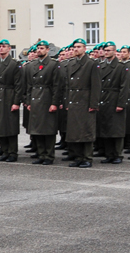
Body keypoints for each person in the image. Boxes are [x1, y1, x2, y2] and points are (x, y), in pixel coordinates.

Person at [61, 38, 100, 167]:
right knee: (74, 131)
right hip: (73, 100)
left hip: (85, 100)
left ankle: (87, 158)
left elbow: (96, 86)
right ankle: (78, 157)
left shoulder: (91, 63)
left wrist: (93, 104)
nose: (76, 49)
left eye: (79, 47)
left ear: (85, 48)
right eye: (75, 47)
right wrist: (67, 102)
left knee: (86, 131)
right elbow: (67, 85)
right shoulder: (71, 63)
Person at [24, 40, 59, 165]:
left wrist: (54, 103)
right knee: (37, 129)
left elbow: (56, 85)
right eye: (38, 48)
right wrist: (28, 101)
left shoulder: (53, 64)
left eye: (42, 48)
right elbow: (29, 85)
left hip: (47, 98)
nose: (39, 50)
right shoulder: (32, 65)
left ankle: (49, 155)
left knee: (48, 130)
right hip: (35, 99)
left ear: (47, 50)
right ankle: (41, 154)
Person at [0, 39, 24, 162]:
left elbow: (19, 85)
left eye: (4, 46)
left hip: (9, 96)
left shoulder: (14, 64)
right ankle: (4, 151)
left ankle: (12, 153)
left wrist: (16, 102)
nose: (1, 48)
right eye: (0, 46)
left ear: (9, 48)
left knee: (10, 126)